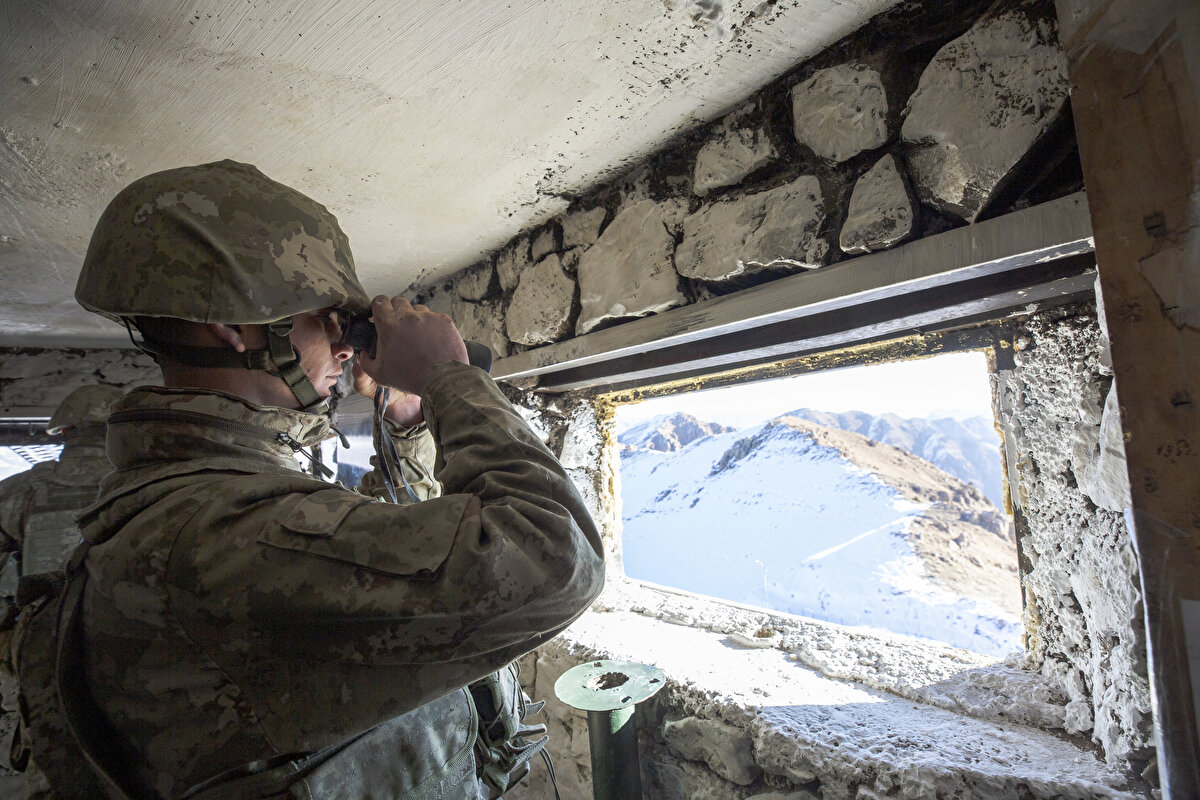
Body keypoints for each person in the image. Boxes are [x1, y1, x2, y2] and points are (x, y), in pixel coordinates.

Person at [27, 159, 605, 798]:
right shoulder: (214, 530)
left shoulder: (205, 493)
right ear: (235, 323)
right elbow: (554, 558)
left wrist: (411, 419)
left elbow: (380, 552)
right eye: (328, 318)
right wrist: (451, 379)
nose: (346, 346)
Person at [0, 385, 123, 797]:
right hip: (136, 643)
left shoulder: (19, 492)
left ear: (65, 430)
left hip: (44, 646)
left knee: (54, 760)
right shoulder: (155, 489)